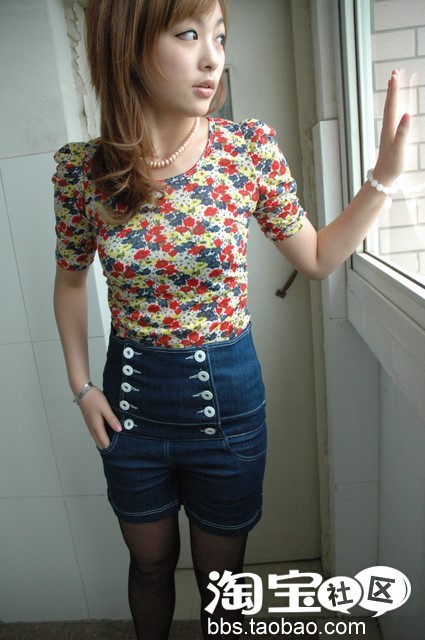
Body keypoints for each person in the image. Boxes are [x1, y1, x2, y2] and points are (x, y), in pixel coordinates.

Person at [52, 1, 409, 638]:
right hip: (129, 404)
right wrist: (81, 388)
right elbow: (72, 280)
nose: (213, 57)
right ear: (130, 46)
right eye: (189, 35)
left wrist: (380, 180)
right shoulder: (85, 171)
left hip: (228, 404)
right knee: (149, 565)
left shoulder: (246, 150)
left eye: (219, 36)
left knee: (223, 581)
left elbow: (317, 258)